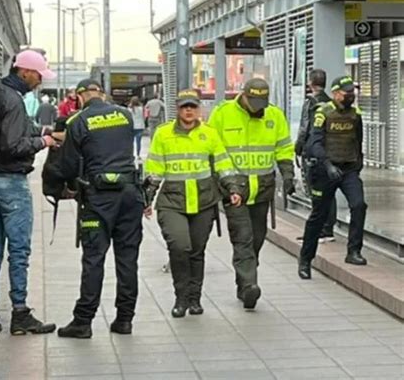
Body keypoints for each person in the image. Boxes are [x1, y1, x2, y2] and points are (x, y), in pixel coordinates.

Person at [45, 79, 144, 339]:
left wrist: (63, 184)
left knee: (93, 259)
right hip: (130, 195)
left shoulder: (78, 120)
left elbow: (67, 166)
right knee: (127, 259)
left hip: (98, 198)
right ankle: (125, 319)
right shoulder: (124, 115)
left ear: (79, 97)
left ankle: (83, 321)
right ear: (101, 94)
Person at [0, 49, 57, 336]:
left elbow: (9, 132)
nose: (39, 81)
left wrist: (41, 131)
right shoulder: (13, 100)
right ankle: (20, 313)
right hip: (10, 182)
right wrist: (44, 142)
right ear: (24, 71)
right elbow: (12, 145)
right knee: (19, 251)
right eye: (37, 75)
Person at [144, 90, 242, 317]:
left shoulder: (209, 134)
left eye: (192, 107)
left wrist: (233, 188)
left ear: (199, 109)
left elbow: (223, 164)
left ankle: (194, 299)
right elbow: (155, 168)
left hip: (204, 201)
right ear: (177, 109)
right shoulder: (163, 134)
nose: (188, 111)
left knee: (197, 251)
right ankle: (180, 298)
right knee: (179, 247)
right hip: (172, 202)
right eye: (184, 107)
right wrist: (147, 198)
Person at [208, 78, 295, 309]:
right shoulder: (223, 114)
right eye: (254, 101)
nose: (258, 107)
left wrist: (288, 175)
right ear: (243, 95)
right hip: (233, 189)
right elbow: (213, 150)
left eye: (262, 102)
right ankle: (249, 286)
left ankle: (243, 279)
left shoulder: (274, 116)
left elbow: (284, 148)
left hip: (263, 189)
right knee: (243, 237)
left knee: (257, 237)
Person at [298, 76, 368, 279]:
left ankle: (354, 251)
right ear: (336, 93)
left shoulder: (355, 114)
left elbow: (358, 139)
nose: (351, 96)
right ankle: (305, 259)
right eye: (347, 93)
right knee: (319, 216)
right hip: (325, 171)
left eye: (352, 93)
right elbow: (315, 143)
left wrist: (358, 164)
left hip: (348, 170)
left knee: (359, 205)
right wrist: (327, 165)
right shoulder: (323, 112)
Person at [295, 69, 337, 243]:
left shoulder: (310, 102)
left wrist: (298, 148)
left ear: (310, 83)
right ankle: (328, 228)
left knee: (316, 192)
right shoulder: (332, 103)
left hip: (312, 152)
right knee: (329, 191)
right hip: (329, 152)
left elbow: (305, 128)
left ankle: (320, 229)